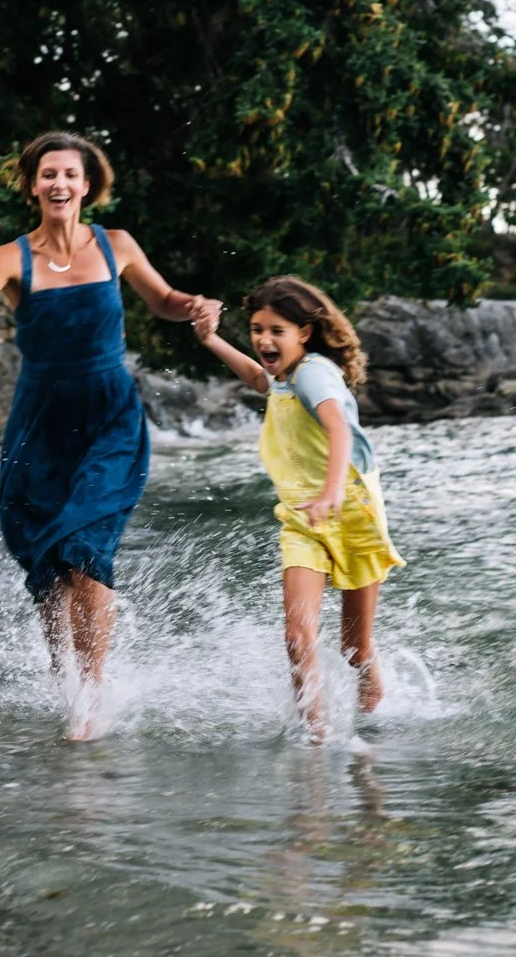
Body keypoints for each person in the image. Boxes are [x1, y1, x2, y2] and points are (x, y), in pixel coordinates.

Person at [0, 131, 218, 739]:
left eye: (70, 174)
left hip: (110, 415)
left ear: (87, 184)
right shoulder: (10, 258)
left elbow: (165, 302)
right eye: (48, 174)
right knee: (46, 557)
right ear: (33, 184)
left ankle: (91, 696)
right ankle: (62, 675)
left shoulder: (116, 245)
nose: (59, 184)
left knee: (85, 549)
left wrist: (195, 304)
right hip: (41, 420)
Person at [194, 277, 404, 737]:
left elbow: (340, 431)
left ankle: (374, 721)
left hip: (351, 510)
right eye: (256, 328)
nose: (263, 339)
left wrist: (330, 492)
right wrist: (211, 338)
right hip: (302, 517)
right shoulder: (285, 375)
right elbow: (257, 378)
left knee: (355, 650)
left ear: (304, 333)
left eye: (276, 331)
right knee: (297, 635)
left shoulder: (314, 373)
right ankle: (316, 734)